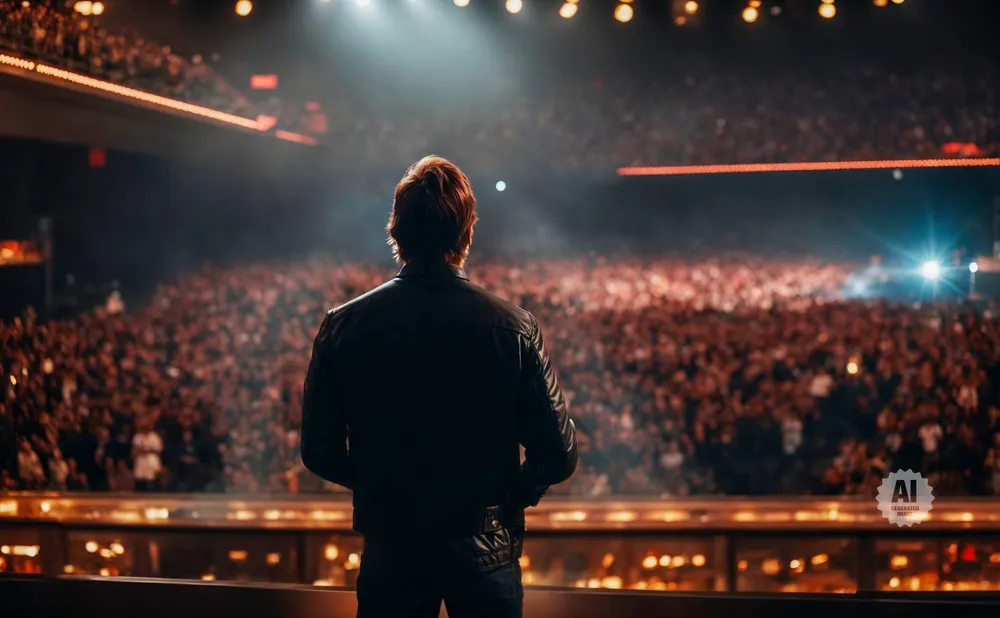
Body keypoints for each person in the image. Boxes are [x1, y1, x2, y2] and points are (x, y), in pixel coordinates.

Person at [301, 155, 578, 618]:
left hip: (393, 547)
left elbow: (319, 451)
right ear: (467, 232)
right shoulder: (515, 327)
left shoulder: (343, 325)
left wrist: (382, 483)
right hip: (485, 552)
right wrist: (511, 495)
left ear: (397, 232)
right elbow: (559, 451)